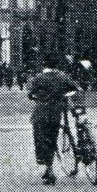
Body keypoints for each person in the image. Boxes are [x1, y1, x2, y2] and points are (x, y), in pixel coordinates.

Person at [27, 54, 80, 185]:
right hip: (56, 113)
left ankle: (47, 167)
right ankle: (49, 168)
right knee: (52, 139)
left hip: (41, 113)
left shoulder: (39, 78)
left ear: (45, 65)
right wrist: (64, 95)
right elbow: (76, 88)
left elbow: (30, 93)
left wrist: (35, 96)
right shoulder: (62, 77)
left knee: (40, 139)